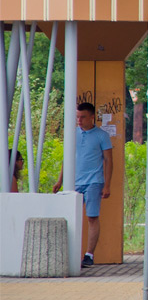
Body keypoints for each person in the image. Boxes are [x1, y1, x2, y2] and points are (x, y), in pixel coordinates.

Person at [54, 102, 113, 268]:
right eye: (77, 117)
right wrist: (60, 180)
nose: (79, 120)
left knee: (92, 216)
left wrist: (107, 185)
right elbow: (67, 158)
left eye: (83, 117)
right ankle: (67, 252)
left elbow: (109, 160)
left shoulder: (102, 135)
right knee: (68, 216)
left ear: (92, 117)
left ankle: (89, 255)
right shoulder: (73, 134)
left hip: (94, 181)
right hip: (74, 182)